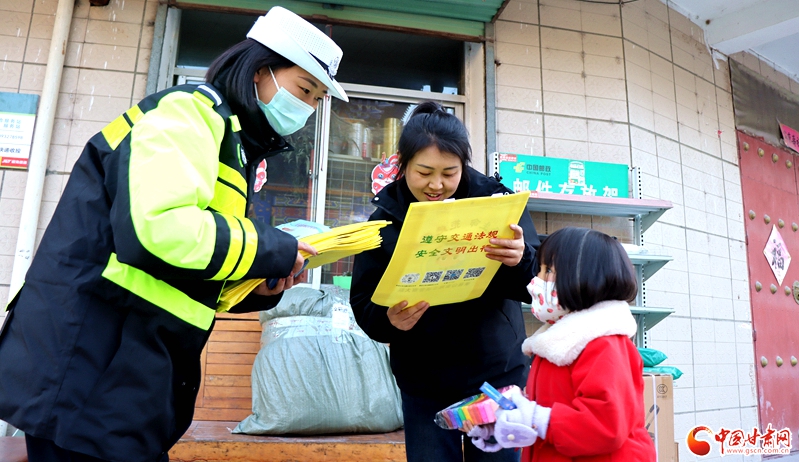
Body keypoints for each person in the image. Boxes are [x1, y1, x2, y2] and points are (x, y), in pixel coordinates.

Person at [0, 7, 347, 462]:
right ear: (261, 71)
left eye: (318, 98)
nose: (308, 107)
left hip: (123, 373)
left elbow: (183, 268)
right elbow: (159, 231)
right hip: (90, 366)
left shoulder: (233, 142)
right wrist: (272, 247)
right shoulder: (190, 112)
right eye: (306, 89)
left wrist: (258, 287)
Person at [350, 101, 540, 462]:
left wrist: (520, 259)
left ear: (463, 165)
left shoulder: (497, 201)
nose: (436, 185)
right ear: (402, 165)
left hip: (496, 376)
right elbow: (363, 302)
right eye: (424, 172)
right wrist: (387, 320)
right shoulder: (383, 221)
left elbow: (534, 283)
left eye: (449, 173)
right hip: (425, 384)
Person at [468, 227, 656, 462]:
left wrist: (535, 418)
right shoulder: (561, 339)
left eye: (548, 271)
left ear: (584, 276)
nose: (537, 280)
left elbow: (606, 425)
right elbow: (552, 407)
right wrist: (507, 420)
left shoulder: (604, 344)